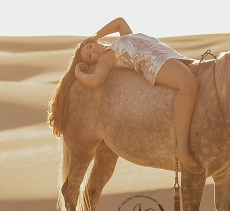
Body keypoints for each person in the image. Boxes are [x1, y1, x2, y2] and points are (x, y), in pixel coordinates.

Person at [52, 17, 204, 175]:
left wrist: (94, 36)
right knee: (189, 85)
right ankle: (182, 148)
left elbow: (119, 22)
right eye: (89, 55)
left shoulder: (123, 39)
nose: (92, 51)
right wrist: (78, 73)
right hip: (154, 63)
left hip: (169, 57)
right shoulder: (105, 60)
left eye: (90, 47)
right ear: (94, 62)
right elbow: (96, 80)